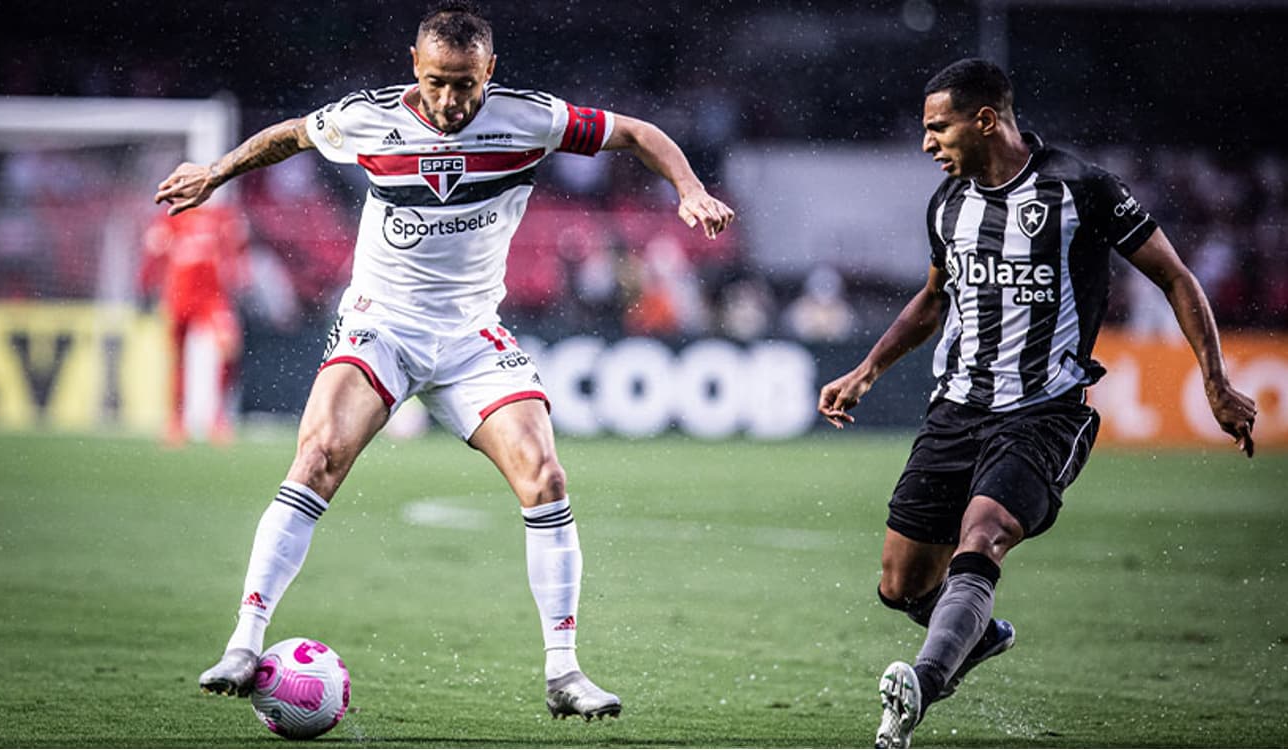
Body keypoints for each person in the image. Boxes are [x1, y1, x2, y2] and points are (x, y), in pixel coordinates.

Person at [154, 1, 733, 721]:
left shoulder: (531, 118)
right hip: (381, 326)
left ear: (490, 70)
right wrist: (216, 171)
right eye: (436, 82)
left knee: (545, 476)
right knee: (318, 457)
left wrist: (689, 189)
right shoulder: (368, 117)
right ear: (415, 67)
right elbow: (289, 137)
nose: (451, 100)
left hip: (469, 337)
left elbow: (638, 134)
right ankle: (245, 642)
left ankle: (564, 672)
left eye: (465, 83)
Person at [816, 58, 1256, 748]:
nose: (928, 143)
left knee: (983, 533)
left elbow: (1174, 276)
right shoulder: (948, 203)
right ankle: (978, 635)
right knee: (900, 585)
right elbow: (935, 298)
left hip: (1043, 412)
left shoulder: (1082, 189)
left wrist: (1215, 381)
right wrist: (867, 369)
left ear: (985, 119)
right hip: (956, 409)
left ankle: (919, 689)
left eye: (939, 128)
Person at [139, 204, 248, 446]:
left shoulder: (224, 216)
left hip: (213, 296)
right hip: (178, 296)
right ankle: (176, 420)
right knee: (177, 359)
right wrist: (145, 286)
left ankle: (218, 418)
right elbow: (154, 252)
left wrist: (241, 280)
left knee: (228, 351)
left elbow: (237, 253)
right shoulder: (172, 214)